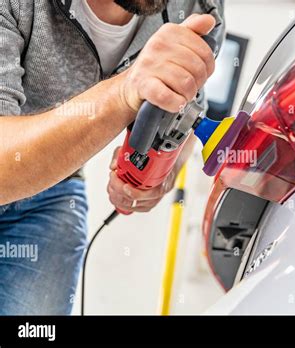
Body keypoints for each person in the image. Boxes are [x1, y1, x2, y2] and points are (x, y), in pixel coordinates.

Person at [0, 0, 225, 314]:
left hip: (54, 190)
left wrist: (161, 173)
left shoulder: (199, 8)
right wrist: (124, 92)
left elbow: (185, 109)